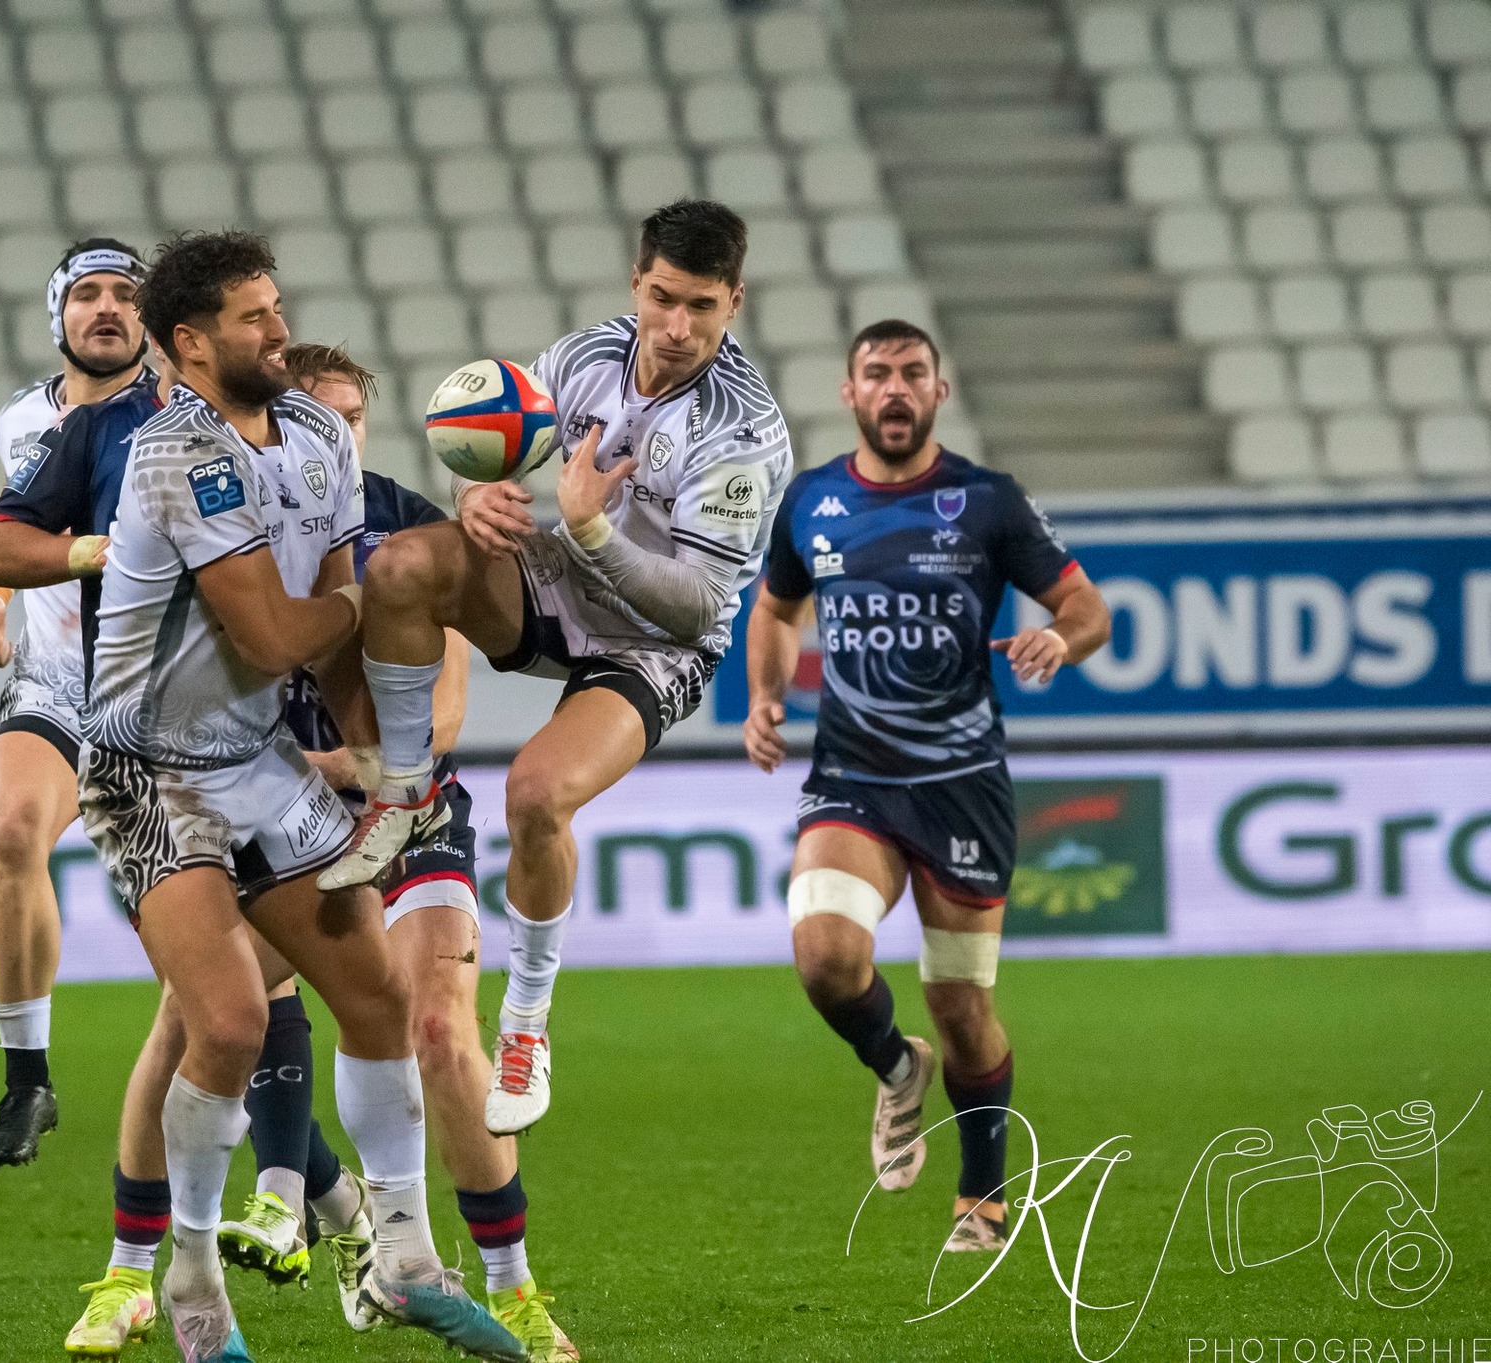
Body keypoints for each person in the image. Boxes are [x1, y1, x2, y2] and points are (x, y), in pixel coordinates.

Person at [39, 230, 523, 1363]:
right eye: (252, 316)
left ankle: (405, 1258)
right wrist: (380, 596)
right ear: (191, 342)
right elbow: (273, 634)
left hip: (258, 760)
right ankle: (192, 1283)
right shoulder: (177, 455)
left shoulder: (314, 435)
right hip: (148, 770)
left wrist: (384, 767)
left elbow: (339, 627)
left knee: (377, 997)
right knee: (227, 1020)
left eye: (276, 305)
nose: (278, 329)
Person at [321, 199, 793, 1138]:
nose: (677, 326)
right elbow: (489, 446)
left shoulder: (744, 432)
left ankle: (526, 1025)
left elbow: (698, 606)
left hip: (652, 642)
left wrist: (589, 529)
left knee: (535, 796)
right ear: (636, 281)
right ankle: (404, 790)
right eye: (663, 298)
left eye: (701, 306)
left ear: (734, 302)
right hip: (554, 584)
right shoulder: (583, 357)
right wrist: (476, 495)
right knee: (401, 567)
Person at [211, 343, 575, 1360]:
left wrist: (335, 765)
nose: (335, 434)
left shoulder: (408, 528)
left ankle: (511, 1285)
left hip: (403, 807)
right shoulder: (225, 522)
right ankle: (333, 1213)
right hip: (278, 823)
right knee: (219, 1016)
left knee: (439, 1028)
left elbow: (444, 714)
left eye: (351, 418)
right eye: (313, 414)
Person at [740, 319, 1112, 1252]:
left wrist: (1059, 637)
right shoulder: (812, 500)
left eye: (913, 372)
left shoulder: (988, 501)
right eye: (877, 373)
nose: (895, 388)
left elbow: (1087, 606)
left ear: (939, 391)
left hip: (962, 784)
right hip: (853, 775)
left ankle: (982, 1194)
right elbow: (776, 608)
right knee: (825, 957)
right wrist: (765, 696)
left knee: (962, 1007)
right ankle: (894, 1063)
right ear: (850, 393)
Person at [0, 238, 158, 1169]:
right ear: (59, 316)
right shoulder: (21, 418)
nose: (107, 307)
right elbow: (22, 516)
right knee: (12, 833)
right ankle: (26, 1079)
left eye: (125, 292)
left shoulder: (177, 416)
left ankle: (309, 1172)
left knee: (220, 974)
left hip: (160, 695)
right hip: (54, 684)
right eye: (87, 293)